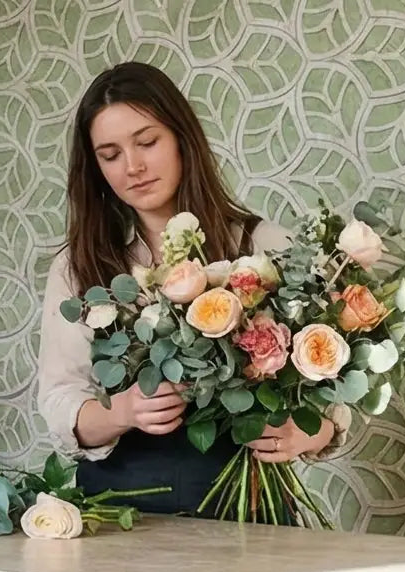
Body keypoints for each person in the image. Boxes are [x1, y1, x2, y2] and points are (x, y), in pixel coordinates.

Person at [37, 62, 348, 514]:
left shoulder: (266, 247)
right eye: (110, 155)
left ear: (182, 138)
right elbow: (59, 398)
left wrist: (312, 431)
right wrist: (121, 412)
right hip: (119, 513)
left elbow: (332, 385)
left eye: (146, 142)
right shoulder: (79, 266)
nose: (133, 167)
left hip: (249, 508)